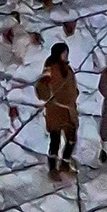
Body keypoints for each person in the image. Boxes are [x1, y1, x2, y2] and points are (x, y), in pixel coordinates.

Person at [34, 37, 80, 178]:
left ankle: (65, 163)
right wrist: (49, 95)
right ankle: (53, 169)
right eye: (64, 53)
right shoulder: (50, 69)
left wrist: (74, 94)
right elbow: (41, 89)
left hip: (68, 110)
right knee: (55, 140)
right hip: (56, 110)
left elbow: (72, 85)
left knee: (71, 138)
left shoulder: (68, 68)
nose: (66, 55)